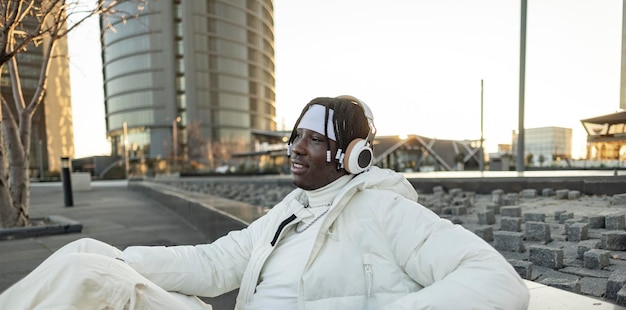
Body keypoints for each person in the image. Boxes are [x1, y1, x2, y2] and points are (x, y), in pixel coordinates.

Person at [0, 95, 530, 309]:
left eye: (315, 139)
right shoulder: (292, 211)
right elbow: (215, 262)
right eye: (296, 134)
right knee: (88, 254)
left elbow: (495, 279)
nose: (296, 147)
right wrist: (128, 260)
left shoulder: (386, 211)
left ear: (355, 156)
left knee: (84, 281)